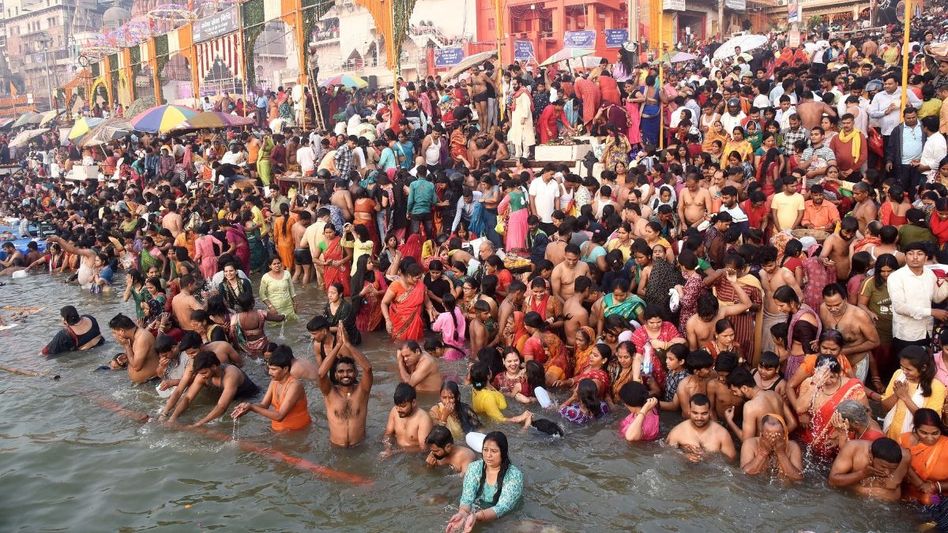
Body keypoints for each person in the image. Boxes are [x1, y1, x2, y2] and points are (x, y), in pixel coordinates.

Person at [311, 317, 374, 447]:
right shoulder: (329, 393)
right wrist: (338, 345)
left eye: (350, 371)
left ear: (356, 373)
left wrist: (348, 344)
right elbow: (321, 374)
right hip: (335, 448)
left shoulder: (362, 391)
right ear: (335, 375)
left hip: (360, 446)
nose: (345, 374)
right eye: (341, 372)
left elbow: (367, 368)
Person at [794, 353, 868, 458]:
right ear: (815, 372)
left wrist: (839, 437)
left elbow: (865, 416)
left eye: (832, 377)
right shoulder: (809, 383)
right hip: (814, 439)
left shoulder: (853, 387)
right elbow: (800, 408)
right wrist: (815, 385)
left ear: (839, 374)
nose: (828, 381)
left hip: (844, 439)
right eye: (824, 377)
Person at [446, 431, 524, 532]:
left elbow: (503, 507)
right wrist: (463, 514)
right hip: (479, 508)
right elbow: (467, 497)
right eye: (485, 450)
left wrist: (477, 516)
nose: (488, 455)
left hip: (503, 519)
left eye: (494, 451)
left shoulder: (514, 476)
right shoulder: (474, 468)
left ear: (503, 452)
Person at [163, 350, 258, 427]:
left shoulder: (231, 375)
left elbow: (222, 406)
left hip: (249, 397)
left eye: (204, 373)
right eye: (200, 373)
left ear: (214, 367)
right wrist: (173, 418)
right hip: (228, 395)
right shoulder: (202, 375)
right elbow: (187, 398)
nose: (202, 376)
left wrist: (199, 424)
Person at [872, 346, 947, 440]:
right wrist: (896, 395)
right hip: (891, 433)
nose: (904, 371)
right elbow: (885, 407)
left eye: (908, 369)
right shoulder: (898, 374)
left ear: (923, 368)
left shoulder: (937, 387)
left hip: (914, 439)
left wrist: (905, 398)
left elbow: (928, 422)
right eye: (901, 367)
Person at [888, 241, 948, 357]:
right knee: (908, 366)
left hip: (927, 331)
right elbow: (900, 307)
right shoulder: (896, 277)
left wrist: (946, 284)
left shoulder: (929, 274)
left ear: (926, 258)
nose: (915, 257)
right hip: (907, 333)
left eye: (919, 254)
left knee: (924, 365)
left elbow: (936, 297)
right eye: (910, 254)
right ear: (905, 257)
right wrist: (932, 312)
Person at [230, 346, 311, 431]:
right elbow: (264, 405)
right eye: (269, 368)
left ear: (285, 369)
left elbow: (280, 416)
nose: (269, 372)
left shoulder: (295, 385)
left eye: (274, 369)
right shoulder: (274, 382)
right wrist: (247, 406)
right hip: (278, 430)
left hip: (297, 432)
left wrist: (252, 408)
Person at [829, 437, 910, 502]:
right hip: (849, 500)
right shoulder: (853, 448)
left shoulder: (905, 457)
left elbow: (900, 490)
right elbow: (832, 481)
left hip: (887, 508)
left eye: (893, 469)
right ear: (870, 457)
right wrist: (862, 474)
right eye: (883, 467)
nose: (887, 472)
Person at [725, 366, 795, 442]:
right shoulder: (775, 395)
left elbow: (746, 441)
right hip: (780, 447)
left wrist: (730, 421)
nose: (734, 394)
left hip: (762, 449)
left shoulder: (750, 406)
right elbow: (793, 423)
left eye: (735, 391)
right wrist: (776, 438)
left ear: (744, 388)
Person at [666, 393, 737, 462]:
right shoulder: (677, 432)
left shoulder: (722, 433)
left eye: (704, 413)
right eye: (695, 413)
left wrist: (708, 456)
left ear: (709, 412)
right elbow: (667, 455)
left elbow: (731, 460)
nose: (699, 418)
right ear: (689, 411)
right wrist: (684, 456)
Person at [899, 408, 948, 504]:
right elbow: (896, 467)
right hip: (905, 493)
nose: (930, 438)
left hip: (937, 496)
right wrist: (919, 484)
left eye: (935, 433)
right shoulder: (904, 440)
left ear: (940, 430)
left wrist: (935, 486)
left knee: (930, 501)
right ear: (916, 430)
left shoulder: (946, 445)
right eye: (924, 433)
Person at [740, 414, 804, 481]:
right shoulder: (750, 444)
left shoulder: (793, 447)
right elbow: (744, 474)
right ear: (761, 434)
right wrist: (763, 453)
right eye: (768, 434)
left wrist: (781, 453)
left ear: (784, 435)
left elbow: (798, 478)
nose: (773, 439)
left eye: (777, 435)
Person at [382, 262, 434, 341]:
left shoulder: (420, 285)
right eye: (417, 278)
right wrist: (387, 320)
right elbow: (384, 303)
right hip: (398, 323)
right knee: (398, 344)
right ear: (409, 276)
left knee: (415, 345)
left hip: (416, 323)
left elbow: (427, 301)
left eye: (420, 278)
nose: (419, 280)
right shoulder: (395, 285)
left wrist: (432, 310)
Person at [383, 382, 434, 454]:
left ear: (413, 402)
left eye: (403, 406)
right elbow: (388, 434)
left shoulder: (424, 419)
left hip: (415, 457)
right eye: (397, 405)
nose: (398, 409)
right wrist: (387, 449)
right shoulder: (394, 411)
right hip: (396, 452)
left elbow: (424, 448)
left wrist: (396, 452)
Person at [107, 313, 158, 384]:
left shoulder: (142, 338)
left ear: (122, 331)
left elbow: (137, 367)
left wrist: (126, 346)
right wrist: (126, 358)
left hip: (152, 382)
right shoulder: (132, 336)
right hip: (143, 383)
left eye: (114, 333)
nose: (114, 336)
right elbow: (136, 356)